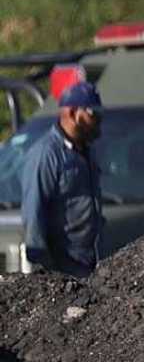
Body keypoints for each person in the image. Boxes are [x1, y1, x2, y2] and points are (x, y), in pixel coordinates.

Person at [20, 81, 105, 278]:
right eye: (92, 113)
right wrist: (46, 270)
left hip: (90, 265)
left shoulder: (85, 151)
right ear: (72, 113)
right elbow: (34, 212)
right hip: (63, 269)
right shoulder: (46, 154)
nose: (98, 119)